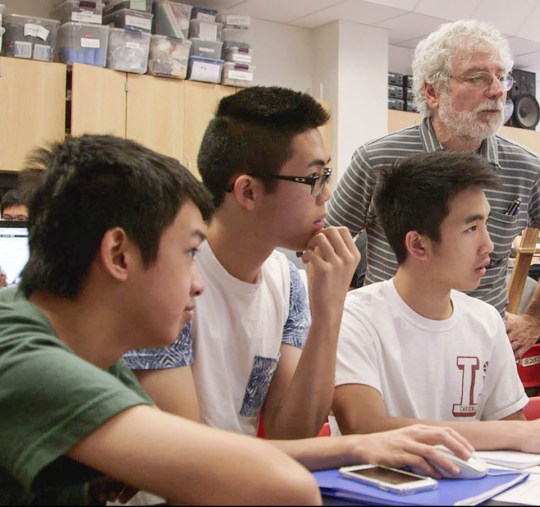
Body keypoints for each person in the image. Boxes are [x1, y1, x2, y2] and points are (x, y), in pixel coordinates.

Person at [122, 86, 473, 473]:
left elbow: (292, 433)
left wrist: (328, 310)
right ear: (248, 191)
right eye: (313, 179)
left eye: (326, 175)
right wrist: (357, 446)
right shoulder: (173, 277)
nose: (326, 196)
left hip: (243, 485)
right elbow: (188, 457)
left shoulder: (286, 280)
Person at [0, 135, 322, 505]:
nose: (198, 284)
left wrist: (361, 448)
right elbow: (279, 484)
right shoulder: (19, 353)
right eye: (188, 253)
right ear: (119, 255)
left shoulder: (91, 352)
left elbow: (206, 452)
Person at [333, 151, 540, 454]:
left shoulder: (485, 319)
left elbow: (514, 427)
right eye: (471, 228)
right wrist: (521, 434)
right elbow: (366, 426)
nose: (488, 244)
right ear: (418, 244)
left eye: (486, 224)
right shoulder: (354, 317)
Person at [326, 19, 540, 359]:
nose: (497, 90)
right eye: (478, 78)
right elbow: (327, 241)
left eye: (501, 76)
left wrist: (535, 318)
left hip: (480, 348)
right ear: (432, 92)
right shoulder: (379, 159)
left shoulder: (524, 166)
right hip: (389, 345)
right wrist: (337, 324)